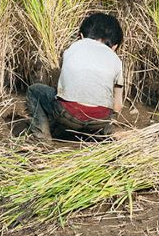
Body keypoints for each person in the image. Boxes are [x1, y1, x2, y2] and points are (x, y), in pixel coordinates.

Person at [26, 13, 125, 143]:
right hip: (99, 121)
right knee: (103, 107)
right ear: (115, 47)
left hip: (67, 114)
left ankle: (42, 139)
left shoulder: (72, 48)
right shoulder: (116, 60)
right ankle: (106, 134)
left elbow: (64, 86)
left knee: (34, 91)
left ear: (81, 36)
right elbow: (118, 106)